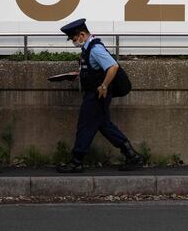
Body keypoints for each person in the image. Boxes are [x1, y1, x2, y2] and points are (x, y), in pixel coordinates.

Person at [57, 18, 143, 173]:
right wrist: (79, 74)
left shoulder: (95, 49)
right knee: (104, 126)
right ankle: (132, 156)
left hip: (96, 95)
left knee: (85, 125)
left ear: (82, 35)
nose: (74, 42)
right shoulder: (89, 48)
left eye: (75, 39)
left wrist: (103, 86)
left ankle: (77, 161)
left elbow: (113, 66)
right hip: (95, 93)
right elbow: (95, 70)